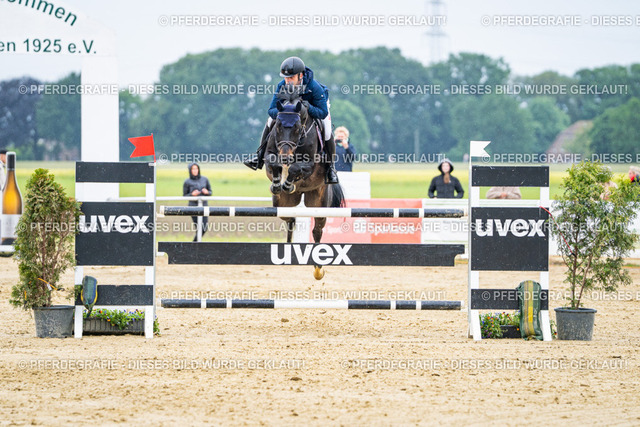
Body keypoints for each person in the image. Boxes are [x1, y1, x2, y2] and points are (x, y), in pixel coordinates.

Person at [243, 56, 338, 184]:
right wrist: (284, 112)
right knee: (270, 121)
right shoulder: (282, 85)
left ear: (300, 75)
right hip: (289, 112)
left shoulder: (314, 87)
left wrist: (308, 107)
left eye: (291, 77)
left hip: (316, 107)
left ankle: (331, 167)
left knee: (327, 129)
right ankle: (259, 157)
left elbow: (322, 112)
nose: (287, 81)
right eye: (286, 78)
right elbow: (271, 110)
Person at [183, 163, 212, 241]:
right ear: (190, 170)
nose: (195, 170)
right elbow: (184, 196)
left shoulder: (205, 179)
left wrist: (207, 192)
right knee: (199, 228)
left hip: (204, 207)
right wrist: (192, 194)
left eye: (196, 168)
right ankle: (196, 245)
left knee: (204, 227)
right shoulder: (187, 182)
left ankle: (194, 244)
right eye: (193, 169)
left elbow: (210, 192)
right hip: (193, 208)